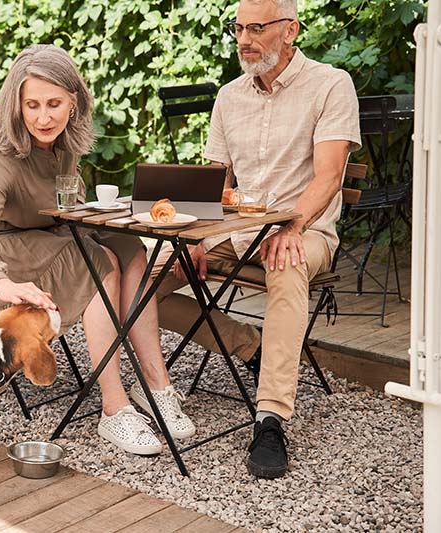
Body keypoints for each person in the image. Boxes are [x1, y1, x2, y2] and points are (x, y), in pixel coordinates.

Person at [0, 45, 195, 456]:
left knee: (130, 248)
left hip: (49, 239)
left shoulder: (64, 143)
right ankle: (114, 407)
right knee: (100, 262)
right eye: (31, 105)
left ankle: (156, 385)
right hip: (2, 258)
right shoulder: (1, 158)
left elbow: (67, 208)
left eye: (54, 104)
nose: (42, 118)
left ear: (74, 101)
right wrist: (1, 283)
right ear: (16, 105)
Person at [154, 0, 361, 478]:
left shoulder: (331, 85)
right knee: (143, 283)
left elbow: (330, 176)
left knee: (286, 263)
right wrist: (194, 233)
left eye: (256, 28)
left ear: (290, 30)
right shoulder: (229, 97)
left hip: (304, 231)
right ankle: (250, 347)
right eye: (238, 29)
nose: (244, 40)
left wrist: (293, 226)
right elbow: (216, 176)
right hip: (236, 230)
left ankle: (270, 419)